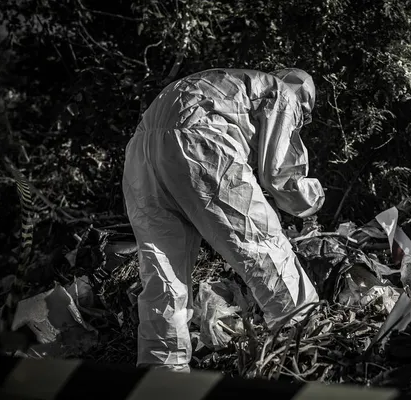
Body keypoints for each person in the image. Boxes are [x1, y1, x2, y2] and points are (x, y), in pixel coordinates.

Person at [122, 68, 325, 373]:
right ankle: (302, 335)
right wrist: (314, 197)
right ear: (303, 98)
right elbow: (282, 178)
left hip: (142, 149)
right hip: (200, 142)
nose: (300, 121)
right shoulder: (282, 93)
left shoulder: (236, 83)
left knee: (162, 270)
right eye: (303, 115)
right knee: (259, 243)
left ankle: (162, 370)